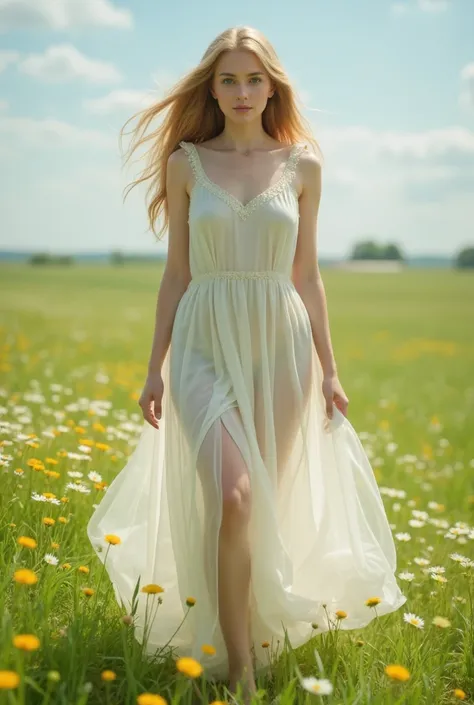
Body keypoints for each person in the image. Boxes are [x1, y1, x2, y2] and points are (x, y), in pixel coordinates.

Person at [87, 25, 406, 702]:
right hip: (204, 338)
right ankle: (241, 669)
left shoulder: (304, 165)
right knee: (230, 494)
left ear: (273, 85)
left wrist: (331, 367)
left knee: (256, 505)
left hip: (280, 342)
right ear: (212, 87)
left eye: (253, 79)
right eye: (228, 79)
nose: (240, 92)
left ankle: (251, 626)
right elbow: (176, 273)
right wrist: (155, 368)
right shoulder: (186, 163)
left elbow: (309, 275)